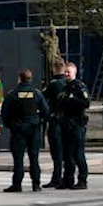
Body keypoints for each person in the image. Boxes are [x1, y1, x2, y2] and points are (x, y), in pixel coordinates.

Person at [1, 68, 49, 193]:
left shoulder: (13, 94)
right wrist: (39, 122)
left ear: (19, 79)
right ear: (30, 79)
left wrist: (11, 125)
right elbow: (46, 111)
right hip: (34, 129)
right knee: (34, 158)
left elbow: (5, 113)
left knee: (18, 159)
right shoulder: (37, 93)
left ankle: (17, 184)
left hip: (19, 130)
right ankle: (36, 184)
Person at [60, 62, 90, 189]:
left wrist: (72, 100)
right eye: (65, 72)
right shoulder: (65, 87)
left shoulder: (79, 86)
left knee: (78, 154)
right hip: (66, 124)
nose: (66, 74)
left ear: (74, 73)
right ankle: (68, 180)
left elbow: (86, 102)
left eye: (69, 72)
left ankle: (82, 180)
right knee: (67, 154)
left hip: (77, 124)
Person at [42, 58, 68, 189]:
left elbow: (42, 98)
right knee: (67, 152)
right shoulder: (69, 83)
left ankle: (56, 178)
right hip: (68, 121)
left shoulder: (53, 84)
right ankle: (67, 178)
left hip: (55, 121)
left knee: (56, 153)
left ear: (54, 69)